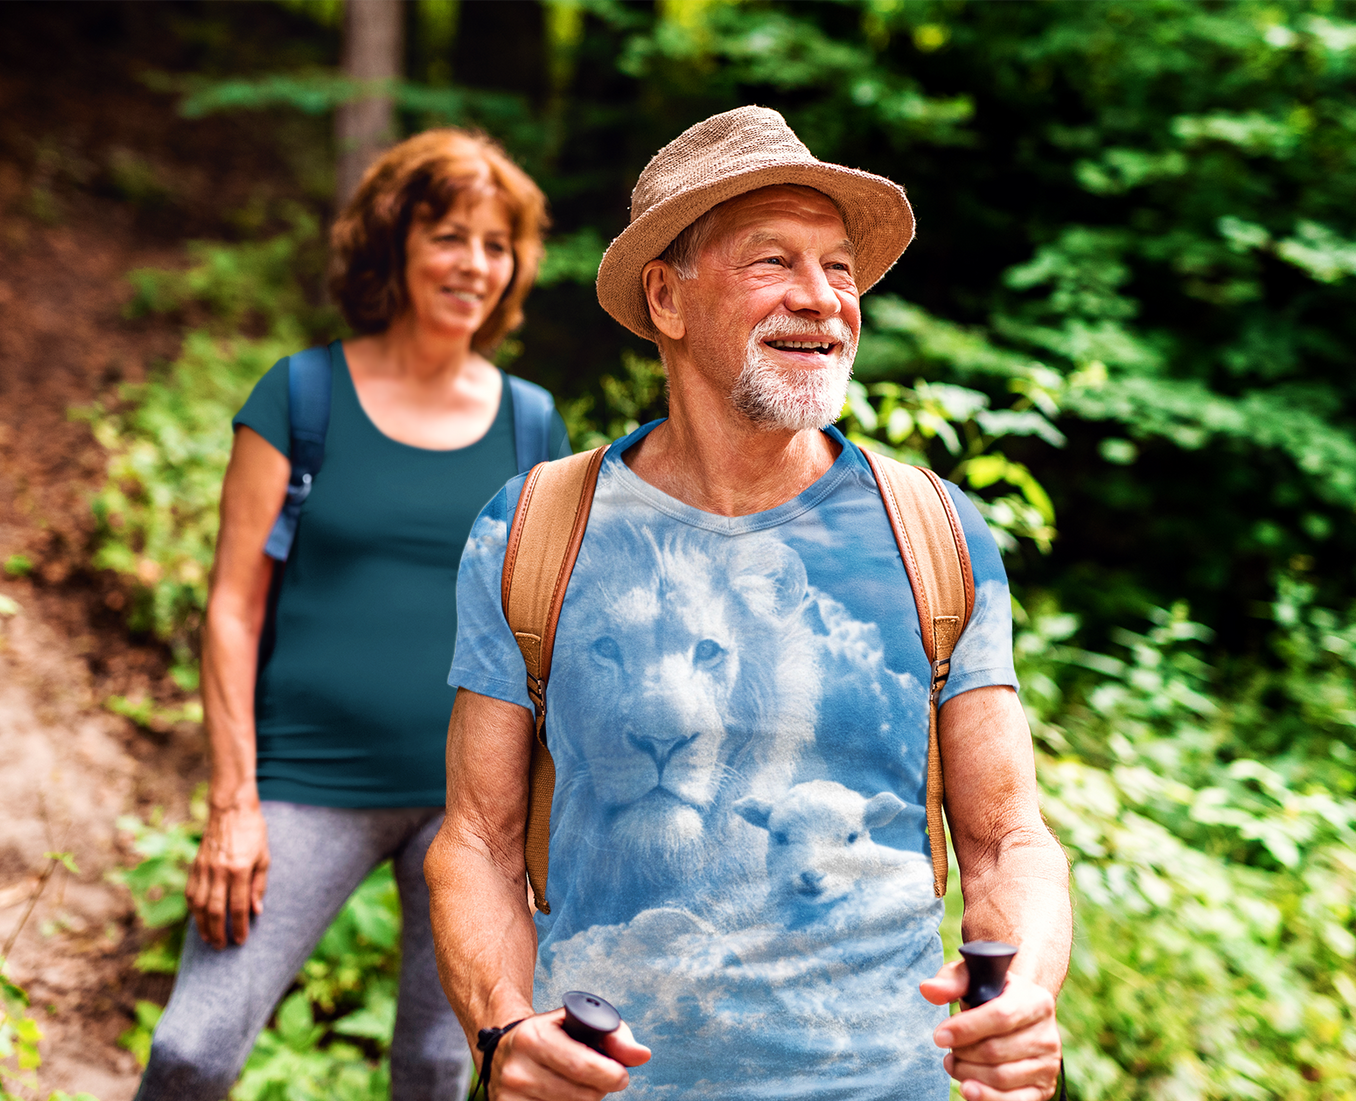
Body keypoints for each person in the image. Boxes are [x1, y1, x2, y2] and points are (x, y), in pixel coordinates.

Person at [425, 106, 1072, 1100]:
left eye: (840, 269)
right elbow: (474, 840)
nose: (821, 301)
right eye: (772, 262)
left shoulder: (933, 531)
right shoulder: (530, 530)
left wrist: (1021, 991)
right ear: (666, 299)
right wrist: (503, 1029)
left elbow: (1005, 839)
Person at [134, 129, 570, 1101]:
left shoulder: (533, 426)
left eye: (495, 245)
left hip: (471, 806)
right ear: (393, 242)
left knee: (436, 1070)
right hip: (303, 783)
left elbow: (546, 633)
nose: (473, 265)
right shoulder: (301, 396)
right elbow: (232, 609)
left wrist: (544, 826)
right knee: (191, 1050)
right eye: (448, 235)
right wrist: (231, 803)